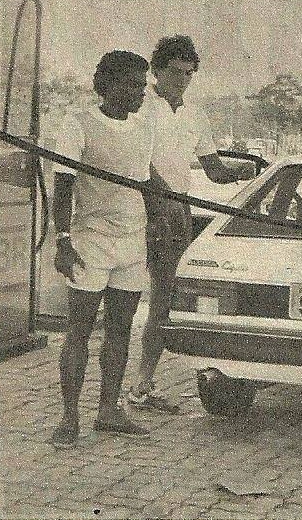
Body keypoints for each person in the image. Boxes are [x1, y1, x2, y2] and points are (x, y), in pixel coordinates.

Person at [128, 35, 254, 413]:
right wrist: (163, 197)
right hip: (139, 209)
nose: (183, 79)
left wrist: (241, 172)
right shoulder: (140, 108)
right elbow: (137, 163)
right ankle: (128, 389)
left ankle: (141, 386)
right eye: (176, 72)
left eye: (189, 73)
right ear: (157, 70)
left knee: (164, 300)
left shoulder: (196, 116)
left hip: (176, 214)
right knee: (125, 296)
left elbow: (213, 170)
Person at [50, 50, 153, 448]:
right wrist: (62, 241)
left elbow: (142, 185)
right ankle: (69, 416)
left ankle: (109, 410)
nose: (139, 92)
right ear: (107, 84)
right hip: (89, 240)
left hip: (132, 240)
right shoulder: (77, 124)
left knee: (121, 329)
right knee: (79, 329)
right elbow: (62, 187)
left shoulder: (143, 129)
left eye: (142, 85)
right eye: (131, 84)